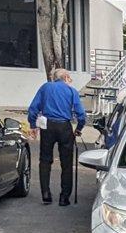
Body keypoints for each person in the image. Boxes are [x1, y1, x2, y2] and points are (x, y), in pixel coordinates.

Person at [27, 68, 87, 205]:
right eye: (69, 77)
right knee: (66, 163)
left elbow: (33, 108)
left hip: (47, 126)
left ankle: (46, 194)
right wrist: (78, 129)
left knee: (45, 160)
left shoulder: (45, 87)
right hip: (64, 126)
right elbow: (81, 114)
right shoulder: (71, 91)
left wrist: (32, 125)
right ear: (65, 77)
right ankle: (64, 197)